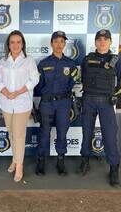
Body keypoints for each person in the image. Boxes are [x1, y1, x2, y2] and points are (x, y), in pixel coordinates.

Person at [79, 29, 121, 187]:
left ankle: (114, 168)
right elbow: (82, 78)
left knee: (110, 136)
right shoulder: (87, 59)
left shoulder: (116, 60)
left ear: (110, 42)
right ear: (95, 42)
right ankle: (84, 160)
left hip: (106, 102)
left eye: (106, 39)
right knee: (86, 132)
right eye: (99, 39)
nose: (102, 42)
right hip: (88, 100)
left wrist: (114, 94)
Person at [0, 30, 39, 182]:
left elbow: (34, 80)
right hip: (6, 104)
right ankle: (15, 159)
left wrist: (18, 92)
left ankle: (19, 166)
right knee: (12, 134)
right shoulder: (2, 62)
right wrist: (7, 93)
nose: (15, 45)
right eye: (12, 42)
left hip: (22, 104)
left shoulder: (29, 61)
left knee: (19, 135)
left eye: (18, 42)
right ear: (8, 44)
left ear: (23, 44)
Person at [34, 31, 78, 176]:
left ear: (65, 44)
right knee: (44, 133)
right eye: (56, 41)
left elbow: (72, 84)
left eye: (62, 42)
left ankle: (60, 161)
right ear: (51, 43)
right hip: (47, 103)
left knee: (62, 133)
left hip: (64, 104)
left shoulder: (71, 64)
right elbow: (39, 86)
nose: (59, 44)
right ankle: (41, 161)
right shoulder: (43, 63)